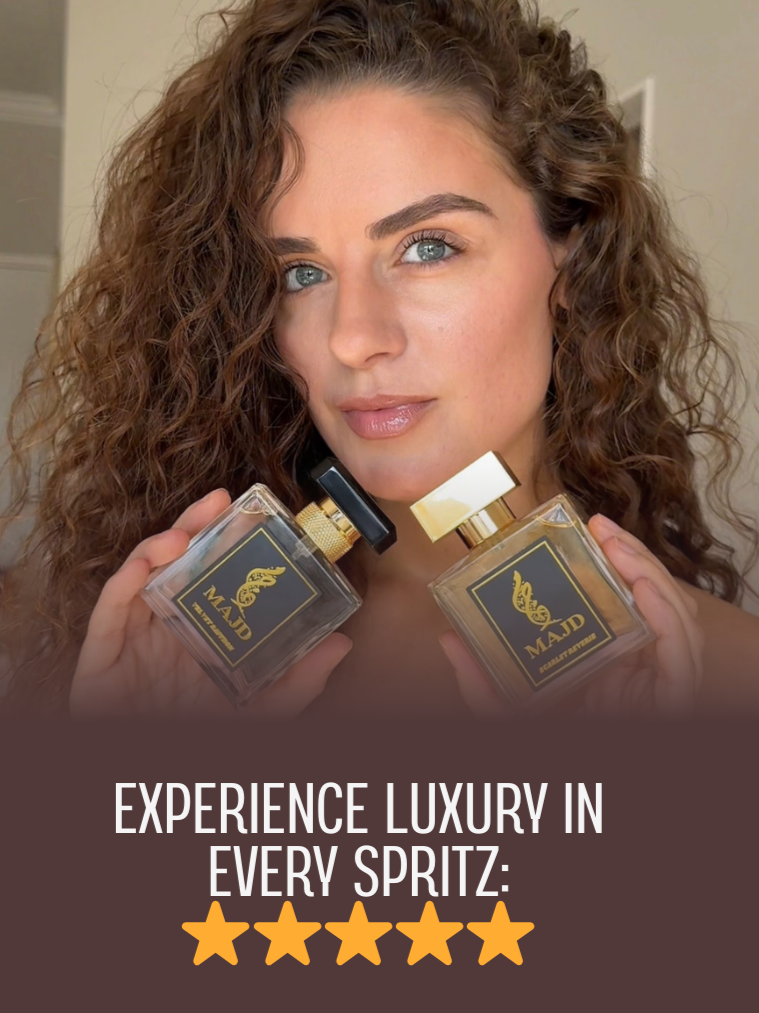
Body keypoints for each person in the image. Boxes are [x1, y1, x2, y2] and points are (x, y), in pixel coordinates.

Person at [2, 0, 758, 717]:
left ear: (572, 257)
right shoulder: (187, 657)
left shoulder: (722, 680)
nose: (353, 338)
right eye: (300, 273)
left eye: (427, 247)